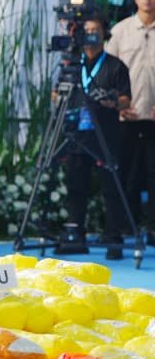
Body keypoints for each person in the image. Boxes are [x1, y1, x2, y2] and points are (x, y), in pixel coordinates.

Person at [61, 16, 132, 260]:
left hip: (106, 135)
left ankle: (114, 236)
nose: (91, 34)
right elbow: (55, 94)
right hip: (76, 135)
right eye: (87, 30)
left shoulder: (115, 66)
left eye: (95, 30)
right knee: (75, 186)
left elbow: (126, 100)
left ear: (104, 34)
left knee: (111, 187)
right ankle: (75, 234)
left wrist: (111, 100)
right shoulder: (72, 65)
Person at [107, 0, 155, 243]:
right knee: (126, 172)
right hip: (126, 117)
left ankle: (153, 228)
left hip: (153, 117)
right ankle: (126, 226)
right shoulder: (120, 31)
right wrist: (119, 105)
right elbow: (106, 72)